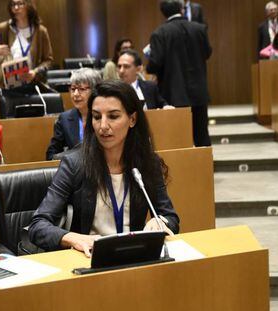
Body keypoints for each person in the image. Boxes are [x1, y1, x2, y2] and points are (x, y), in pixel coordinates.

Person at [29, 80, 180, 257]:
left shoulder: (147, 163)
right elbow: (38, 225)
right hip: (89, 260)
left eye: (113, 116)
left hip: (134, 257)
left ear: (132, 119)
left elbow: (171, 218)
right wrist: (72, 238)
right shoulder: (75, 163)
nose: (103, 126)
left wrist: (160, 221)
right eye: (97, 117)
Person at [147, 0, 212, 147]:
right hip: (199, 92)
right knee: (202, 135)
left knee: (178, 139)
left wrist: (149, 62)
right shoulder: (200, 28)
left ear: (163, 13)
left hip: (173, 94)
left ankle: (184, 169)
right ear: (182, 10)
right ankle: (205, 168)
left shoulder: (159, 33)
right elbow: (207, 53)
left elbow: (155, 64)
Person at [0, 0, 53, 86]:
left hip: (33, 83)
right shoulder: (4, 28)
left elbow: (48, 60)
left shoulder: (41, 31)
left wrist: (35, 72)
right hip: (8, 84)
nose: (16, 8)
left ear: (29, 5)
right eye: (13, 4)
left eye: (20, 3)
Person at [46, 68, 102, 160]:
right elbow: (52, 153)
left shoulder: (104, 117)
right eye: (73, 89)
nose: (75, 94)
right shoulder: (64, 118)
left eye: (81, 89)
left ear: (95, 91)